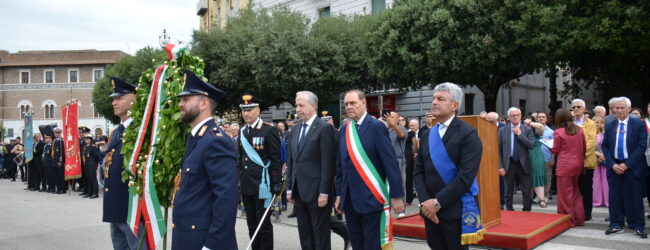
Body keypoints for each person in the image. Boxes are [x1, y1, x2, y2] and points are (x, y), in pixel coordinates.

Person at [171, 70, 238, 250]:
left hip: (204, 241)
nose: (180, 104)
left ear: (204, 103)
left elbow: (226, 199)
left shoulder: (215, 141)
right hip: (188, 237)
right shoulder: (197, 138)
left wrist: (213, 245)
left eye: (186, 99)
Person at [413, 83, 483, 250]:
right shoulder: (427, 134)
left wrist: (437, 203)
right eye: (434, 98)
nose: (434, 102)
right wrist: (425, 203)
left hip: (454, 211)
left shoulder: (468, 134)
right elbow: (418, 172)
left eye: (441, 99)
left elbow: (465, 177)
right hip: (430, 212)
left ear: (455, 105)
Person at [335, 89, 404, 250]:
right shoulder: (345, 129)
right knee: (356, 243)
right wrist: (339, 194)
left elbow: (390, 162)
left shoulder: (376, 127)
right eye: (346, 104)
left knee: (372, 245)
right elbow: (341, 166)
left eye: (353, 103)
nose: (349, 107)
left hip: (372, 197)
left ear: (364, 103)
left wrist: (396, 195)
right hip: (350, 199)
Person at [285, 91, 337, 250]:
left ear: (313, 106)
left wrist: (324, 192)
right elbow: (292, 162)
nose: (298, 109)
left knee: (320, 236)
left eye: (301, 105)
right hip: (299, 192)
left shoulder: (324, 128)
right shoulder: (295, 130)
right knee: (305, 233)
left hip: (317, 193)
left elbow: (328, 163)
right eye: (296, 106)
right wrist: (289, 188)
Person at [102, 77, 147, 249]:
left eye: (119, 98)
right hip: (115, 206)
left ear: (133, 98)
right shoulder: (116, 132)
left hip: (133, 209)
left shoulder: (141, 130)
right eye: (113, 99)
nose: (114, 102)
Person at [238, 93, 282, 250]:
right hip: (247, 184)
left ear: (258, 110)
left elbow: (276, 159)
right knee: (251, 224)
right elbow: (240, 158)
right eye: (244, 110)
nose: (246, 113)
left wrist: (277, 182)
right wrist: (239, 179)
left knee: (263, 224)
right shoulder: (242, 131)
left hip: (263, 185)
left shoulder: (269, 130)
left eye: (250, 109)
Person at [602, 97, 647, 238]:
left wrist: (626, 164)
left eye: (622, 108)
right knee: (615, 197)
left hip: (632, 167)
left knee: (634, 197)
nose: (619, 110)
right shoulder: (610, 124)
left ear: (629, 108)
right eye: (616, 108)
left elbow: (641, 146)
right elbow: (605, 146)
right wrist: (613, 164)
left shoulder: (638, 124)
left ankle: (638, 225)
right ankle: (616, 224)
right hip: (614, 166)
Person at [551, 108, 586, 227]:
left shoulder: (559, 132)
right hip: (578, 164)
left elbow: (555, 150)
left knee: (565, 195)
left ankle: (567, 220)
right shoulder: (579, 130)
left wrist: (548, 145)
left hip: (565, 166)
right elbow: (584, 147)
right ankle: (579, 218)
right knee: (576, 192)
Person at [499, 107, 535, 211]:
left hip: (523, 163)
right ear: (509, 118)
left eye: (517, 115)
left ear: (520, 116)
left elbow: (531, 145)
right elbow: (499, 150)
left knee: (526, 190)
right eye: (513, 115)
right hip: (509, 163)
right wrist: (500, 166)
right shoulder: (502, 130)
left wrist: (519, 134)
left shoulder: (527, 129)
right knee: (508, 190)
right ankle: (509, 210)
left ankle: (527, 210)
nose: (515, 117)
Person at [571, 99, 597, 221]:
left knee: (586, 188)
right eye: (574, 107)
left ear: (584, 109)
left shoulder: (591, 123)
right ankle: (575, 211)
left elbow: (591, 143)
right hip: (572, 162)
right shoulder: (569, 123)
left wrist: (578, 155)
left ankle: (587, 212)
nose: (576, 109)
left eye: (578, 107)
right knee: (574, 188)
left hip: (586, 162)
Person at [384, 110, 407, 216]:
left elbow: (401, 135)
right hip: (385, 161)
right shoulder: (384, 130)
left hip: (398, 160)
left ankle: (401, 211)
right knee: (385, 185)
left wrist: (393, 124)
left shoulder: (401, 128)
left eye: (392, 117)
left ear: (398, 119)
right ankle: (386, 209)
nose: (390, 119)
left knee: (400, 184)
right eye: (389, 117)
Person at [525, 117, 548, 208]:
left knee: (537, 176)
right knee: (526, 178)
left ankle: (541, 199)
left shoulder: (536, 133)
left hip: (535, 155)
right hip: (525, 155)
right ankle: (528, 199)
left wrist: (529, 123)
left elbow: (540, 127)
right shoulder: (521, 131)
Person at [536, 112, 555, 201]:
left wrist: (552, 158)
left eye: (543, 117)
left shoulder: (551, 132)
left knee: (547, 177)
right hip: (535, 158)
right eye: (539, 117)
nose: (541, 118)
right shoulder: (533, 130)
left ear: (546, 119)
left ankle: (546, 195)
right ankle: (538, 196)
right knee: (537, 177)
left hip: (546, 157)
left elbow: (554, 146)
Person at [592, 116, 608, 207]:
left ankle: (607, 201)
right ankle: (597, 201)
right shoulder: (591, 134)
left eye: (600, 123)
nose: (598, 124)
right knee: (596, 180)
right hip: (595, 159)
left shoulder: (606, 134)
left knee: (606, 180)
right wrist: (597, 154)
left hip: (605, 159)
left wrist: (603, 155)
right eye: (596, 122)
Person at [405, 119, 420, 205]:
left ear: (417, 126)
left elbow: (415, 145)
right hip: (405, 158)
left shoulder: (412, 133)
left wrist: (413, 154)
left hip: (410, 157)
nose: (411, 127)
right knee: (407, 178)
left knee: (410, 178)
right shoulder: (406, 132)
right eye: (410, 125)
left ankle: (409, 198)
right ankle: (407, 198)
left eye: (413, 125)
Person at [52, 128, 65, 194]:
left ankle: (62, 189)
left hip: (59, 161)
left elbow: (62, 152)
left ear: (60, 133)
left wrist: (61, 161)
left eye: (57, 133)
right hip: (55, 160)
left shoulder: (61, 141)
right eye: (55, 133)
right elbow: (54, 152)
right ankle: (58, 188)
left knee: (61, 176)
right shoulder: (55, 141)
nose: (56, 134)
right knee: (56, 176)